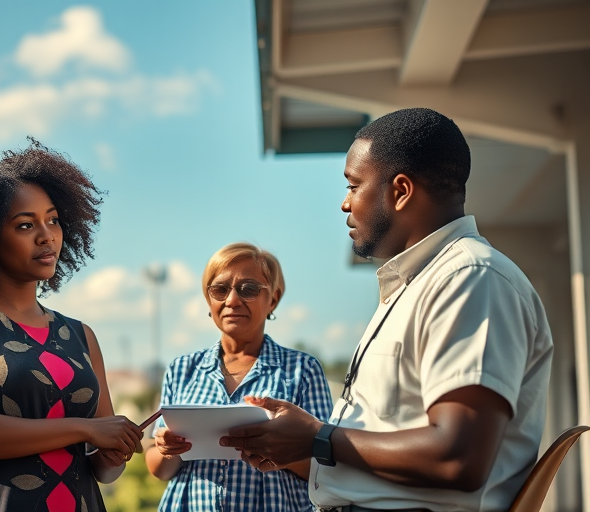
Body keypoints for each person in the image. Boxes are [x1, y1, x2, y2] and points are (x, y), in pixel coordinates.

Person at [221, 108, 554, 512]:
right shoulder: (417, 285)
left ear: (400, 191)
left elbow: (457, 458)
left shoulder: (471, 278)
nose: (345, 203)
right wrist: (291, 445)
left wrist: (318, 437)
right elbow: (378, 455)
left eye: (353, 185)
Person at [0, 140, 142, 512]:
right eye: (25, 225)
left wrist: (115, 451)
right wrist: (85, 429)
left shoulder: (81, 335)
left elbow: (103, 469)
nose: (46, 235)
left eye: (53, 220)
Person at [146, 242, 333, 512]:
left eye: (248, 289)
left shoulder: (302, 370)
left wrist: (275, 450)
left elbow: (326, 468)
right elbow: (159, 469)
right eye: (220, 289)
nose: (232, 300)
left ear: (273, 299)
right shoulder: (182, 369)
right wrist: (167, 449)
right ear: (209, 299)